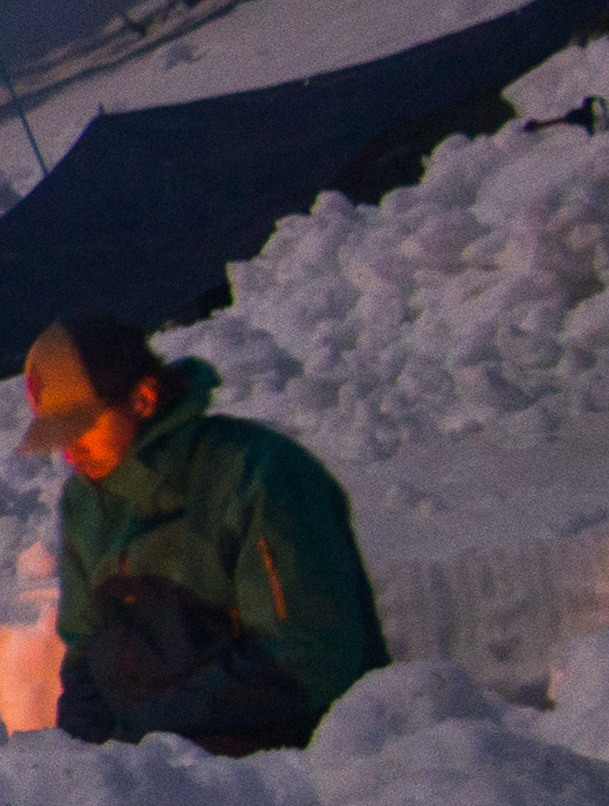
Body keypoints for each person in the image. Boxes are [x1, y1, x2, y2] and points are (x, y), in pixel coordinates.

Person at [19, 315, 387, 753]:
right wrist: (78, 760)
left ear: (144, 397)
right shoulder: (85, 504)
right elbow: (84, 653)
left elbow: (308, 657)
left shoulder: (257, 476)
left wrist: (147, 735)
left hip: (289, 771)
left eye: (83, 426)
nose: (70, 450)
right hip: (159, 771)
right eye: (59, 434)